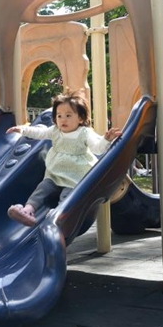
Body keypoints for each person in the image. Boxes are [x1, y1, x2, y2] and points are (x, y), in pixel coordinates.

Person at [7, 90, 121, 226]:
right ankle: (27, 210)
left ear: (80, 118)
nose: (63, 119)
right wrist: (22, 130)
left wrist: (106, 139)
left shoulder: (84, 133)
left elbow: (97, 148)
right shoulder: (55, 130)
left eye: (68, 115)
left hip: (75, 175)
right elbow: (39, 133)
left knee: (67, 195)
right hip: (55, 173)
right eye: (59, 116)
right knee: (42, 189)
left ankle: (58, 215)